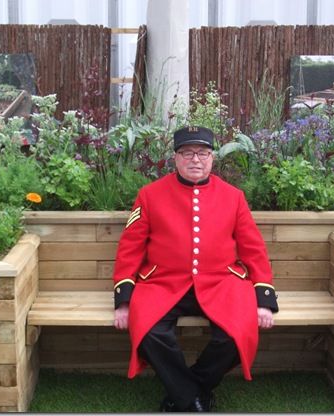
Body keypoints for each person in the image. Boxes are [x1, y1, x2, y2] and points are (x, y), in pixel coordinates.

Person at [113, 126, 279, 412]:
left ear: (212, 158)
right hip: (163, 283)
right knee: (149, 331)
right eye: (187, 152)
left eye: (203, 152)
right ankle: (193, 398)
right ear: (175, 158)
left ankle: (186, 393)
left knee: (235, 333)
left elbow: (253, 248)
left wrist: (264, 299)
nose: (195, 159)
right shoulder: (150, 195)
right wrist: (124, 300)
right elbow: (130, 248)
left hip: (222, 282)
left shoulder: (233, 197)